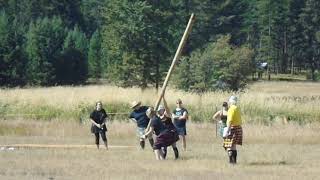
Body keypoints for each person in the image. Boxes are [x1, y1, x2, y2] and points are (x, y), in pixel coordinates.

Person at [223, 96, 243, 164]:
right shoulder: (237, 108)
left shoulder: (231, 109)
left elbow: (230, 121)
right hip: (238, 128)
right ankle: (234, 162)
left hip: (232, 129)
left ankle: (231, 162)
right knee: (233, 146)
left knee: (228, 145)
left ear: (230, 101)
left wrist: (227, 131)